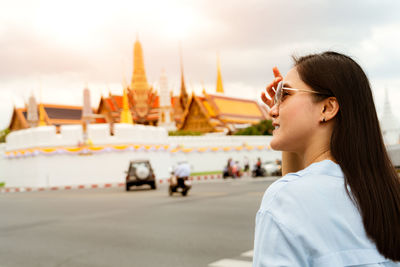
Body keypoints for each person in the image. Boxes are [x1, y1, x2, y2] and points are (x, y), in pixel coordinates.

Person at [253, 51, 400, 266]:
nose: (272, 110)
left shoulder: (284, 198)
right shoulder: (387, 194)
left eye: (284, 95)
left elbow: (297, 192)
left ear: (327, 107)